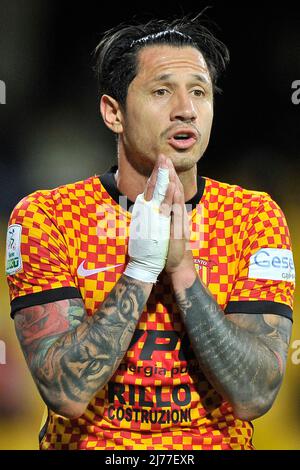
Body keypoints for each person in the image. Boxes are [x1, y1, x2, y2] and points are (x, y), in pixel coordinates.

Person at [5, 13, 295, 451]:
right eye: (162, 91)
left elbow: (255, 395)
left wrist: (182, 272)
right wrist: (140, 271)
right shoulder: (47, 217)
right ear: (113, 113)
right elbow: (65, 392)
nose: (186, 108)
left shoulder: (254, 218)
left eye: (199, 91)